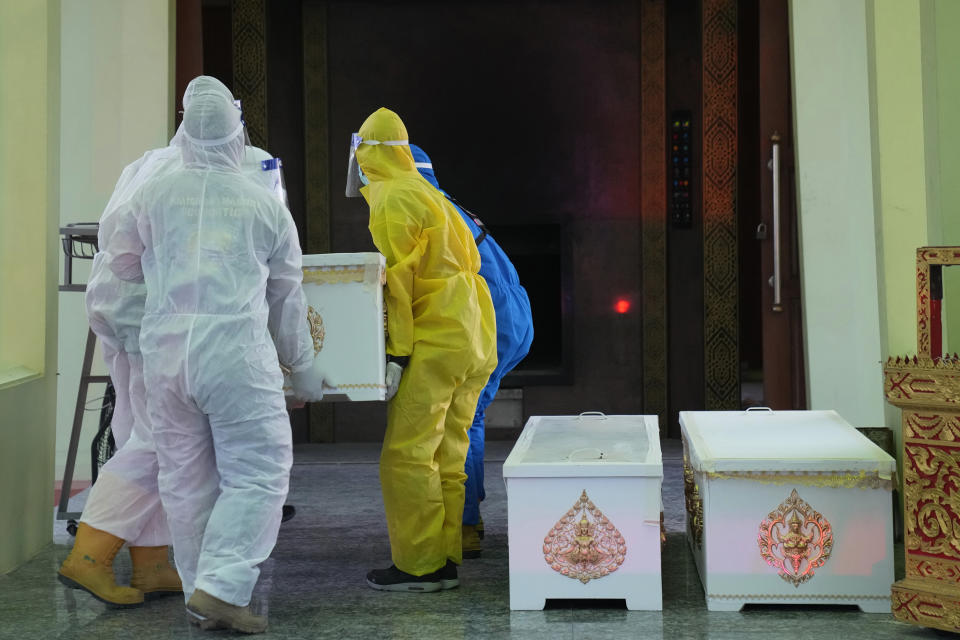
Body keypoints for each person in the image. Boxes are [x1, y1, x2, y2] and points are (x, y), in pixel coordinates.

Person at [105, 91, 324, 633]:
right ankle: (222, 588)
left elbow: (122, 264)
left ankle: (199, 592)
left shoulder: (150, 192)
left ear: (184, 130)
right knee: (258, 471)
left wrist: (167, 274)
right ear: (237, 132)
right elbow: (285, 297)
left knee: (184, 475)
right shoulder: (263, 204)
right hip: (235, 355)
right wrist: (301, 364)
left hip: (167, 354)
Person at [58, 76, 237, 608]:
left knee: (141, 430)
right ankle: (89, 555)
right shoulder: (199, 174)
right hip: (152, 319)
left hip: (121, 312)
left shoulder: (151, 161)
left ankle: (153, 562)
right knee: (161, 442)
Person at [346, 108, 497, 592]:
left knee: (408, 455)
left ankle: (420, 566)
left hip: (434, 337)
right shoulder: (432, 194)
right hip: (472, 331)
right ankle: (446, 556)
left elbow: (398, 282)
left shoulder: (391, 198)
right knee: (448, 451)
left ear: (365, 152)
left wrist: (397, 354)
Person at [408, 144, 533, 558]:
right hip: (508, 314)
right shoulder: (444, 204)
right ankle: (465, 519)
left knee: (464, 419)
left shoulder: (426, 213)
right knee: (465, 417)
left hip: (494, 319)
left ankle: (465, 526)